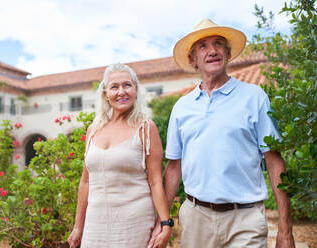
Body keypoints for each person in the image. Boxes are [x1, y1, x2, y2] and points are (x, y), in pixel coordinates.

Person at [149, 19, 295, 248]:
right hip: (196, 219)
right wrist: (163, 221)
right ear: (193, 59)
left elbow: (275, 161)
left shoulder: (254, 97)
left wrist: (285, 231)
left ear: (227, 54)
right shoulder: (182, 107)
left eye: (218, 44)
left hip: (245, 219)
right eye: (203, 46)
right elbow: (173, 167)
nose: (213, 50)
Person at [67, 63, 172, 248]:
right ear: (105, 94)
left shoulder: (146, 128)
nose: (121, 92)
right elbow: (85, 182)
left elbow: (155, 181)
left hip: (133, 224)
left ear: (136, 90)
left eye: (127, 85)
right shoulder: (93, 130)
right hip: (95, 226)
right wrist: (78, 227)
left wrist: (165, 224)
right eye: (114, 87)